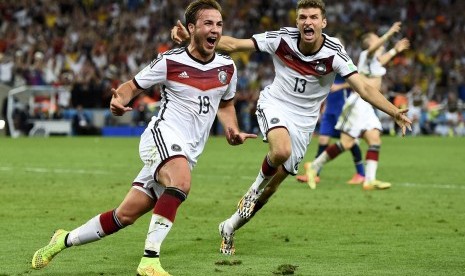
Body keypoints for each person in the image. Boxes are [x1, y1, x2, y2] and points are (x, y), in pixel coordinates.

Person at [31, 1, 256, 275]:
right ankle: (149, 260)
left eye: (219, 24)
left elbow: (226, 104)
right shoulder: (170, 61)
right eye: (208, 23)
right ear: (191, 28)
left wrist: (231, 129)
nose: (215, 30)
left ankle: (61, 240)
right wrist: (118, 101)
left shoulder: (227, 67)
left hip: (187, 151)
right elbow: (131, 87)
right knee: (181, 182)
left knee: (123, 216)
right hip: (161, 137)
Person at [172, 0, 411, 256]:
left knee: (272, 187)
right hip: (275, 104)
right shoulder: (282, 39)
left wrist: (393, 111)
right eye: (303, 17)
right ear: (297, 22)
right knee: (280, 151)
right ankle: (252, 191)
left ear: (323, 22)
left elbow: (363, 87)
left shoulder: (334, 53)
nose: (308, 22)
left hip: (305, 123)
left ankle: (229, 227)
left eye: (313, 17)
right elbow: (234, 44)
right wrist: (194, 38)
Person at [303, 21, 411, 191]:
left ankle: (369, 180)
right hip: (358, 103)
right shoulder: (365, 55)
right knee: (346, 143)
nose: (379, 43)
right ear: (370, 43)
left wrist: (395, 50)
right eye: (376, 39)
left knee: (374, 139)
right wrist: (389, 34)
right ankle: (314, 167)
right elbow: (374, 50)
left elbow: (382, 59)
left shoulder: (373, 61)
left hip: (368, 107)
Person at [295, 74, 366, 186]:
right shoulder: (325, 65)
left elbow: (358, 81)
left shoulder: (343, 64)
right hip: (329, 110)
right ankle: (315, 173)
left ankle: (361, 174)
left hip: (343, 109)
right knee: (323, 140)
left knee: (349, 142)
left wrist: (340, 86)